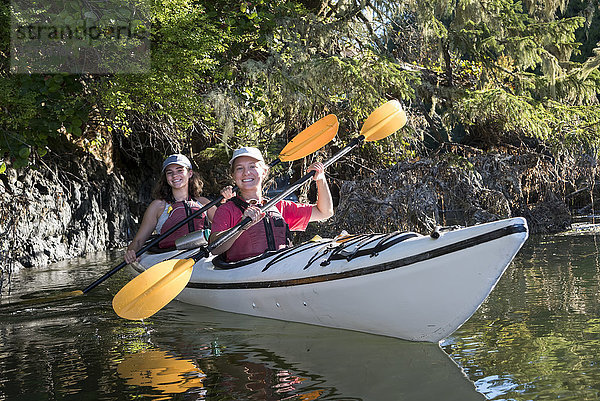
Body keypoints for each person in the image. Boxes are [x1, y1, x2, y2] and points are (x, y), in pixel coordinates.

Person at [209, 146, 334, 262]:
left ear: (264, 172)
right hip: (244, 274)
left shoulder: (279, 207)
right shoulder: (227, 210)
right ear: (234, 176)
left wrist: (320, 179)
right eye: (239, 168)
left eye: (252, 166)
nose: (246, 172)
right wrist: (242, 226)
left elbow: (325, 212)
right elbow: (215, 248)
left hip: (281, 270)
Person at [124, 154, 223, 264]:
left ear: (190, 173)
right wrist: (131, 252)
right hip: (169, 257)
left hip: (202, 255)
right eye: (169, 173)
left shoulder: (204, 203)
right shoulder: (158, 206)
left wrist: (229, 201)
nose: (175, 175)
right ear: (166, 178)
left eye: (180, 170)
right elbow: (138, 241)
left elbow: (227, 226)